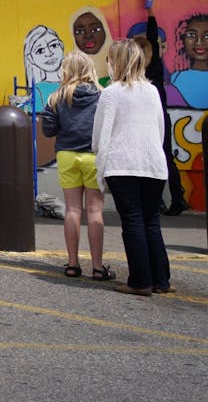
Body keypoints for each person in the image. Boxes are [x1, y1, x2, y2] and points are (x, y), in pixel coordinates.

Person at [92, 39, 172, 297]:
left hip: (122, 164)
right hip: (153, 164)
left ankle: (139, 281)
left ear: (115, 62)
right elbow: (160, 130)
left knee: (133, 222)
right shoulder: (152, 91)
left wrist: (101, 171)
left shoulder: (111, 93)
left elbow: (100, 138)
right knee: (151, 221)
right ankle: (161, 279)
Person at [41, 52, 113, 281]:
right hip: (93, 156)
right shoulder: (102, 96)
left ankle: (72, 264)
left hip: (66, 156)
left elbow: (48, 130)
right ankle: (98, 267)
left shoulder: (56, 97)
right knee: (95, 211)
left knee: (72, 210)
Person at [137, 0, 188, 215]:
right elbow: (152, 34)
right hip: (161, 117)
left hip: (146, 120)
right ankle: (177, 198)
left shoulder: (137, 72)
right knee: (166, 157)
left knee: (148, 159)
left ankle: (157, 201)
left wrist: (150, 13)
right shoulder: (155, 66)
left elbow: (151, 34)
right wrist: (150, 12)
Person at [23, 24, 66, 110]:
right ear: (30, 58)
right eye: (40, 51)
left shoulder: (73, 84)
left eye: (53, 45)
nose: (49, 53)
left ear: (61, 45)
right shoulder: (38, 92)